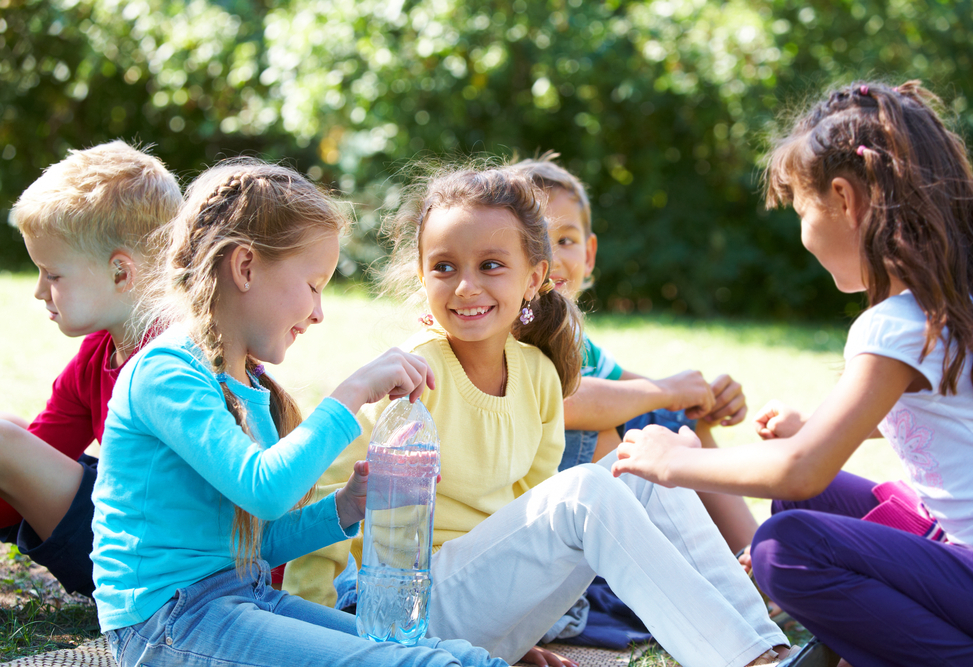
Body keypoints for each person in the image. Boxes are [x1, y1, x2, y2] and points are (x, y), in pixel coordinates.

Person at [285, 163, 789, 667]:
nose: (465, 286)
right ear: (422, 275)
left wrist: (515, 631)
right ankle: (741, 662)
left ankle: (765, 647)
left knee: (645, 468)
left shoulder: (538, 375)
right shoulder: (409, 376)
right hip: (390, 615)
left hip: (471, 611)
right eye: (444, 267)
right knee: (585, 493)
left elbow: (523, 520)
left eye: (490, 265)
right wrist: (315, 635)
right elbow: (328, 494)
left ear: (535, 278)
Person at [612, 80, 973, 666]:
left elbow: (799, 469)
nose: (801, 233)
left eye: (800, 209)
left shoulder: (894, 324)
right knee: (807, 508)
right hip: (971, 555)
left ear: (843, 199)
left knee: (784, 548)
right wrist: (816, 423)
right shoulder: (968, 300)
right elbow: (951, 413)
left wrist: (671, 461)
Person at [90, 160, 511, 667]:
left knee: (442, 653)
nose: (318, 312)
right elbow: (265, 491)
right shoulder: (165, 373)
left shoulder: (246, 384)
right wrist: (352, 392)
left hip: (240, 597)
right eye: (313, 285)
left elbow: (259, 543)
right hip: (165, 624)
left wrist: (349, 506)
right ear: (245, 267)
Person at [514, 153, 758, 553]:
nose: (553, 257)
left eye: (566, 240)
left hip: (582, 500)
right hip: (538, 511)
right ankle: (675, 570)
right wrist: (665, 392)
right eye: (536, 240)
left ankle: (754, 561)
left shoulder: (572, 339)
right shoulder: (510, 329)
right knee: (603, 425)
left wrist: (700, 399)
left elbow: (638, 389)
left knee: (676, 421)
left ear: (589, 255)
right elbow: (561, 403)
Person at [0, 141, 182, 597]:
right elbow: (38, 454)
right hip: (125, 530)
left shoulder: (185, 358)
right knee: (11, 432)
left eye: (53, 274)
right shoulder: (100, 353)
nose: (41, 291)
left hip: (161, 566)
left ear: (122, 273)